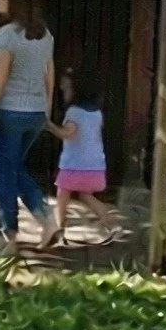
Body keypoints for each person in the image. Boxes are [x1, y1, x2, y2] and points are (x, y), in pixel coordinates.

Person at [0, 0, 60, 248]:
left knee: (4, 172)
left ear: (14, 0)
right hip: (35, 113)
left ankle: (10, 233)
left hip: (8, 113)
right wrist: (47, 111)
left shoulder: (6, 36)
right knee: (14, 166)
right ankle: (46, 219)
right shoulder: (45, 36)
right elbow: (48, 74)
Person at [46, 70, 122, 245]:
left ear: (75, 90)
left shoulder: (73, 112)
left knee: (62, 194)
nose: (62, 89)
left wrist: (48, 125)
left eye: (66, 87)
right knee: (85, 195)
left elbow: (67, 133)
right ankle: (110, 222)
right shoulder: (97, 113)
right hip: (95, 165)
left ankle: (60, 228)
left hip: (74, 164)